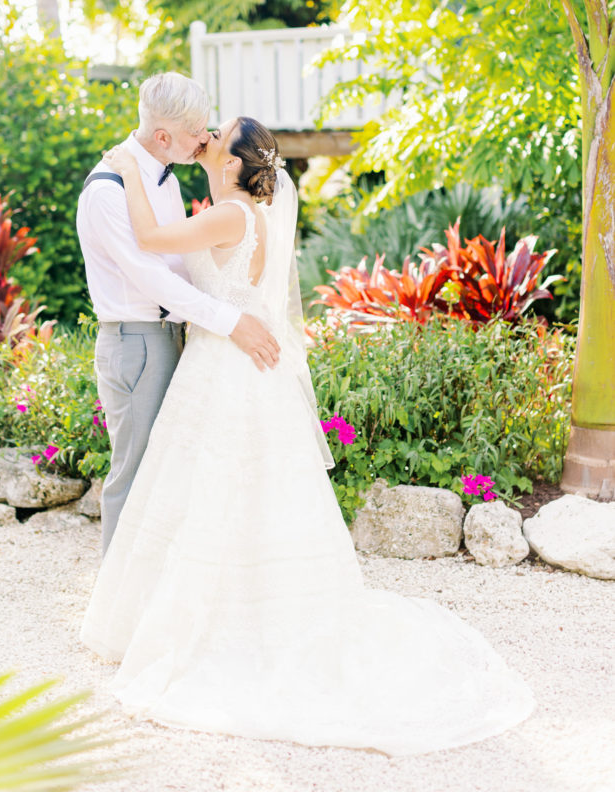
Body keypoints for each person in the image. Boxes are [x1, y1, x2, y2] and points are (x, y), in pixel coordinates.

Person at [80, 115, 534, 755]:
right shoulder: (237, 211)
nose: (206, 135)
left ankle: (217, 625)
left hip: (225, 368)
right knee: (233, 494)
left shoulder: (231, 214)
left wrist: (128, 168)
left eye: (219, 134)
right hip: (228, 363)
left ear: (235, 163)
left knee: (212, 489)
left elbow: (151, 239)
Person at [76, 73, 280, 552]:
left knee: (172, 476)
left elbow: (184, 264)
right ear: (165, 136)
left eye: (213, 131)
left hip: (184, 342)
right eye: (198, 132)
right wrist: (232, 321)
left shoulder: (164, 180)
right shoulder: (109, 189)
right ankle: (117, 605)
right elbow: (152, 277)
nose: (205, 139)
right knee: (137, 472)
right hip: (138, 340)